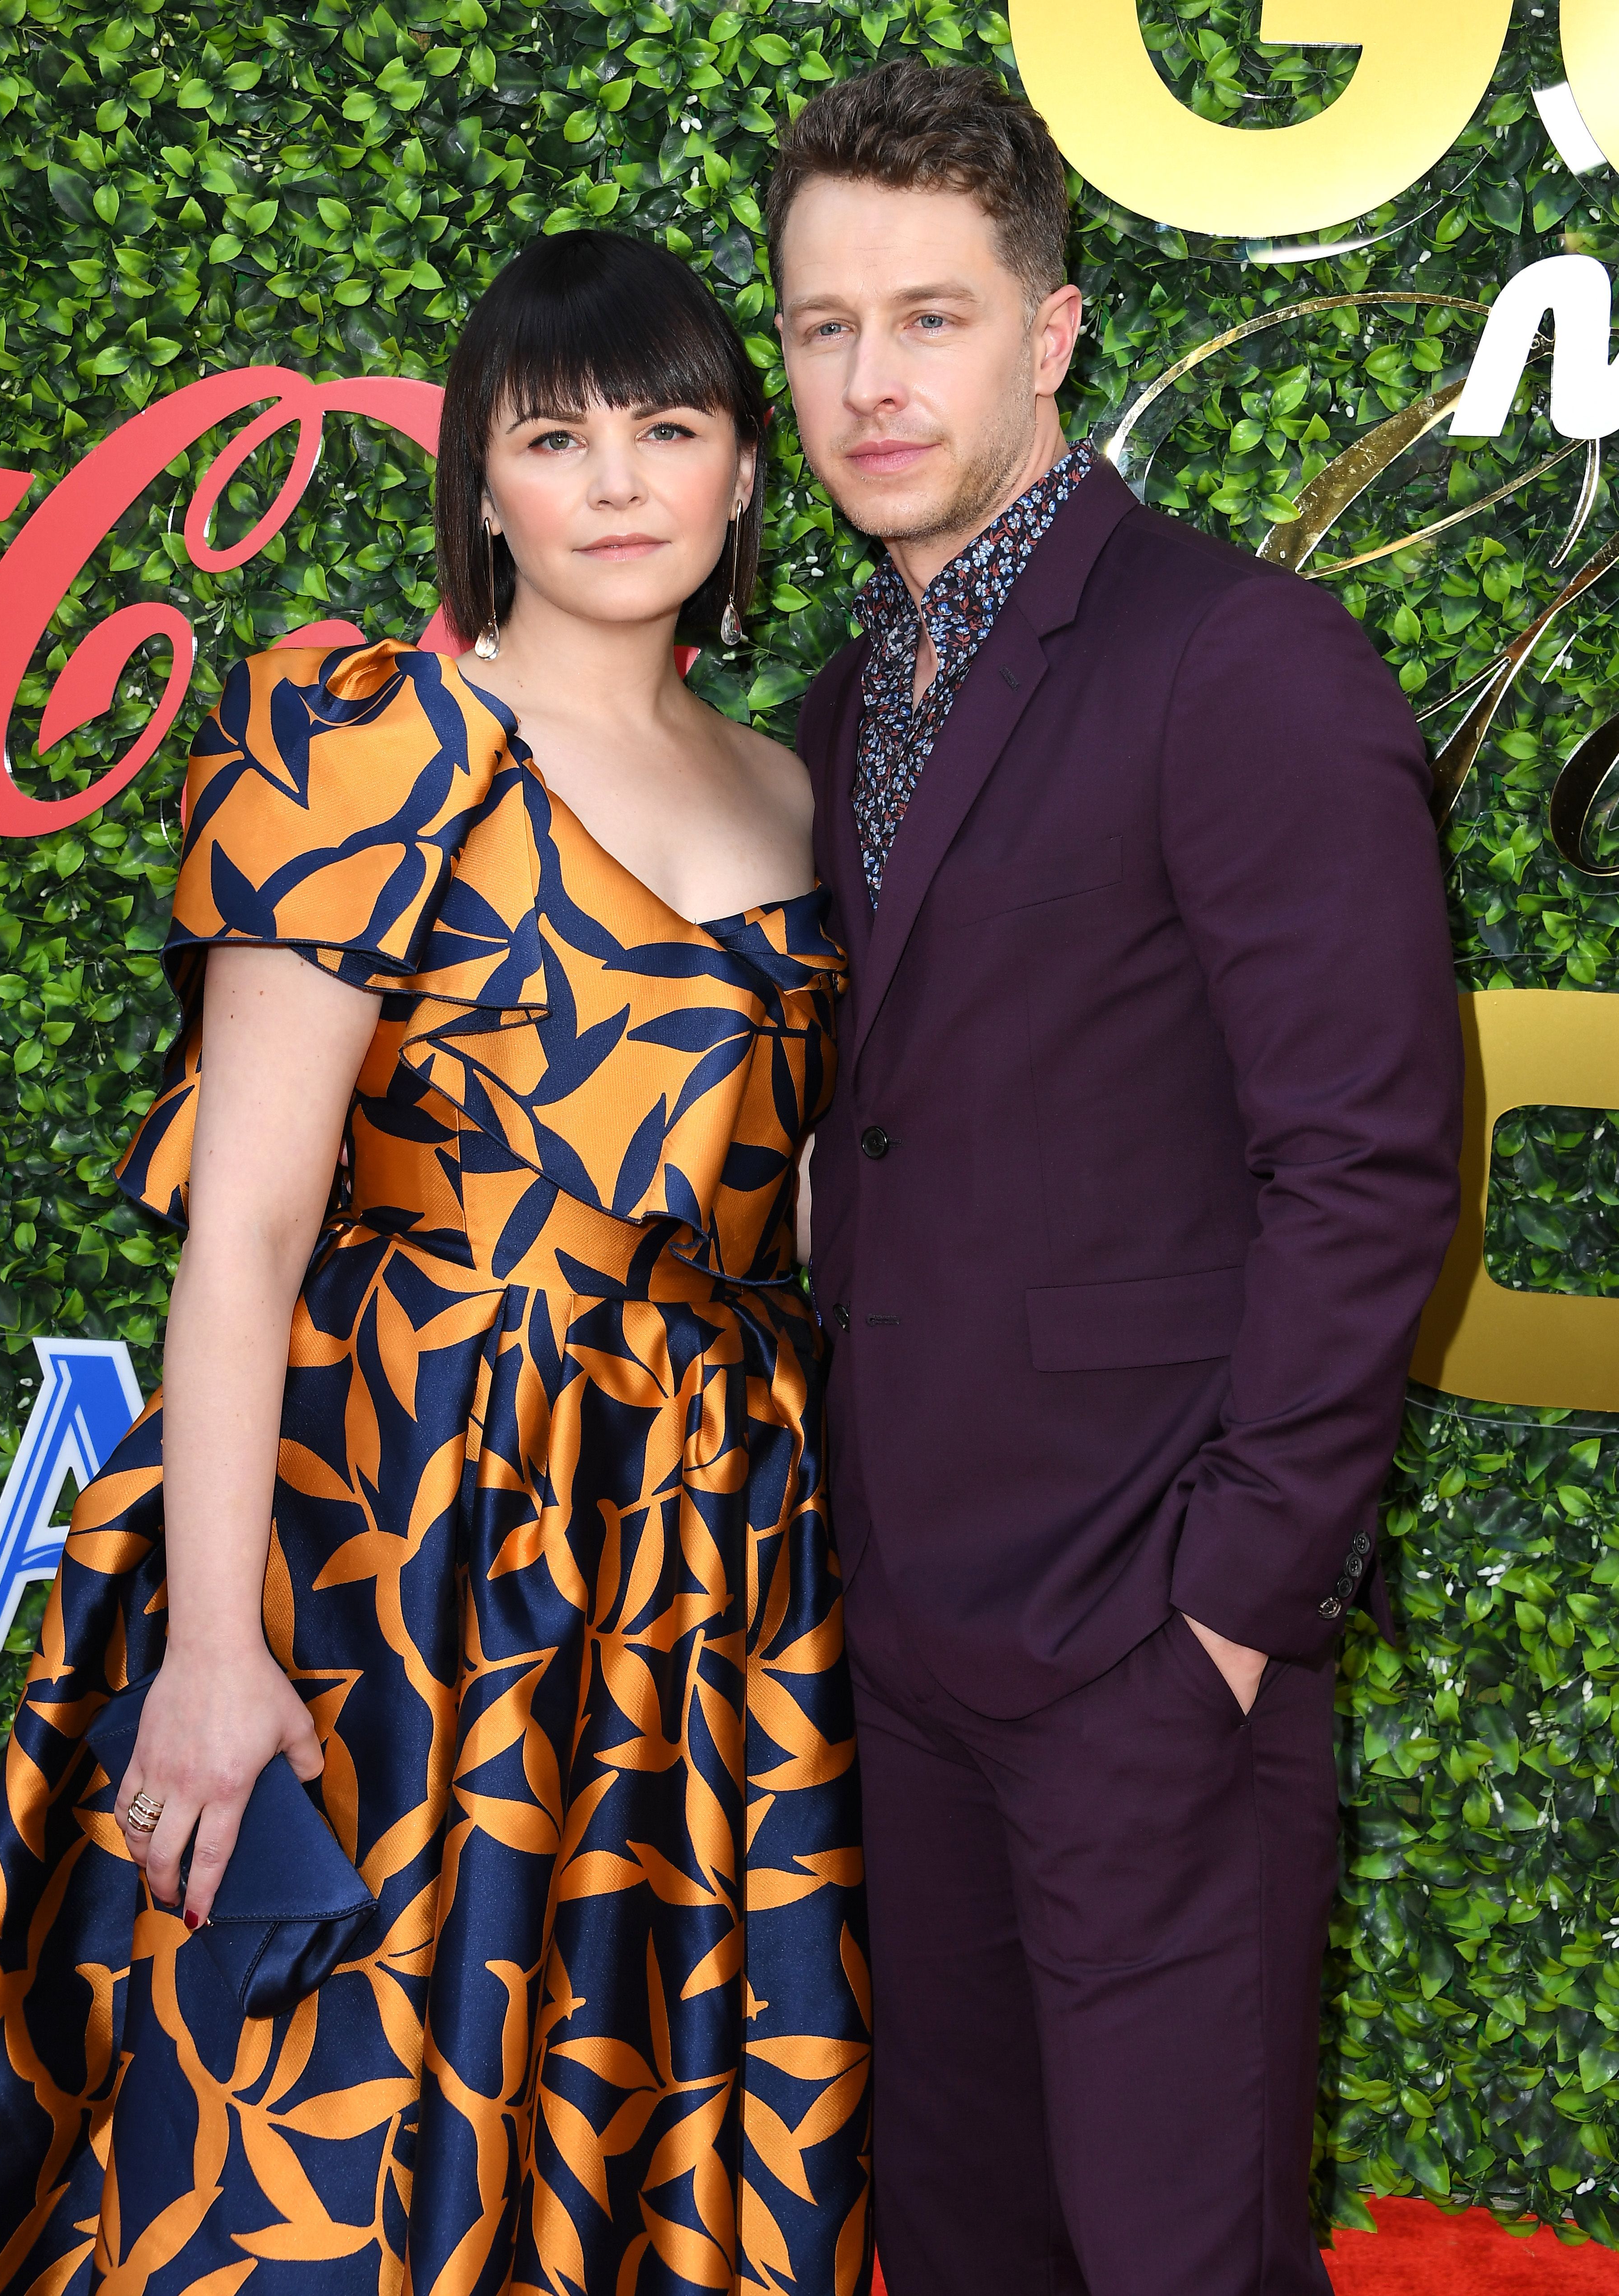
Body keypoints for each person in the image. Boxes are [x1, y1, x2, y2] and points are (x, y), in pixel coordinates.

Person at [0, 229, 871, 2295]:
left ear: (744, 476)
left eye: (671, 428)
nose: (620, 480)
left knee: (643, 2098)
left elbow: (798, 1201)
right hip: (405, 1513)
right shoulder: (371, 744)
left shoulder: (808, 789)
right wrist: (206, 1652)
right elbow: (250, 1234)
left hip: (703, 1546)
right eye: (558, 438)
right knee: (321, 2122)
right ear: (479, 485)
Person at [772, 59, 1464, 2296]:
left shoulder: (1234, 659)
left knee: (1180, 2259)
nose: (870, 382)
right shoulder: (835, 699)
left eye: (931, 318)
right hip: (895, 1631)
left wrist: (1227, 1622)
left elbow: (1366, 1164)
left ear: (1051, 336)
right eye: (821, 327)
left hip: (1143, 1654)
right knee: (967, 2247)